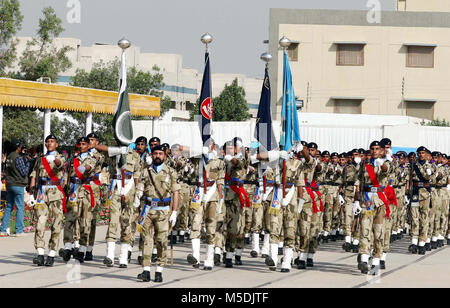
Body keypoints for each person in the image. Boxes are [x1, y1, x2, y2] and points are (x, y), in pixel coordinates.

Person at [94, 141, 142, 268]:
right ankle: (109, 255)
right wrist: (117, 150)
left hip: (129, 188)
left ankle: (123, 257)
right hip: (116, 188)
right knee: (113, 221)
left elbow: (137, 173)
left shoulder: (135, 155)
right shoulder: (115, 152)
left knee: (126, 222)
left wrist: (137, 192)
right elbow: (98, 147)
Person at [137, 144, 180, 282]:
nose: (157, 156)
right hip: (148, 210)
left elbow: (176, 192)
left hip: (163, 211)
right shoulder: (146, 171)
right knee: (147, 240)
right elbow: (140, 187)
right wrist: (137, 198)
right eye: (155, 153)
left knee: (161, 241)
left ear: (165, 155)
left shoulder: (171, 172)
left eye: (160, 154)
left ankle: (159, 270)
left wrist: (174, 211)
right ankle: (146, 270)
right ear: (152, 155)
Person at [186, 138, 225, 270]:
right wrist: (199, 150)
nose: (206, 146)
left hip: (212, 196)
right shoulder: (198, 158)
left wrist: (220, 199)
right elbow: (183, 151)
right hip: (198, 193)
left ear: (213, 146)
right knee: (195, 224)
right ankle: (195, 257)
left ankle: (209, 258)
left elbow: (220, 181)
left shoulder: (219, 162)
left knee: (210, 227)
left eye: (208, 144)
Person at [29, 134, 66, 266]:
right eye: (48, 142)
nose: (50, 143)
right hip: (42, 192)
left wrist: (54, 159)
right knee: (40, 224)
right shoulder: (41, 159)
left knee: (56, 225)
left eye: (52, 142)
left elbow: (60, 164)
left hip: (55, 193)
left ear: (56, 144)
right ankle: (40, 253)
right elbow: (34, 174)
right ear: (45, 144)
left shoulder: (60, 156)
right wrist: (31, 192)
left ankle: (51, 254)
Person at [357, 141, 391, 274]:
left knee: (378, 233)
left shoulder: (387, 162)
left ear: (382, 151)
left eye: (377, 149)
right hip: (367, 202)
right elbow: (359, 181)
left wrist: (381, 164)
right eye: (372, 149)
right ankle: (364, 259)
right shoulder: (365, 164)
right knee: (365, 229)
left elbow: (386, 170)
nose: (374, 151)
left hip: (380, 202)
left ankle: (376, 260)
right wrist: (356, 201)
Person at [0, 139, 30, 237]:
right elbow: (24, 172)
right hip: (18, 184)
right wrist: (28, 163)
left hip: (9, 184)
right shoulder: (18, 157)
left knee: (9, 207)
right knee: (20, 207)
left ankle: (3, 229)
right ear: (18, 147)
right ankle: (19, 231)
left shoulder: (8, 157)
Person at [408, 146, 433, 255]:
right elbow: (408, 178)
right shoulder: (413, 165)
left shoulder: (430, 165)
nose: (421, 155)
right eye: (419, 153)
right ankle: (414, 241)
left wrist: (429, 173)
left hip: (425, 194)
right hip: (415, 193)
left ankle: (422, 243)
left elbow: (433, 178)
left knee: (424, 218)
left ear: (426, 154)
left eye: (423, 153)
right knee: (414, 218)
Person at [85, 132, 105, 261]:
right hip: (81, 187)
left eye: (93, 140)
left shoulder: (98, 156)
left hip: (94, 188)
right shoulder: (81, 154)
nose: (90, 142)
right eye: (89, 140)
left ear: (97, 142)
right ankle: (78, 246)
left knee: (91, 219)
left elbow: (95, 162)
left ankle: (89, 249)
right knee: (79, 217)